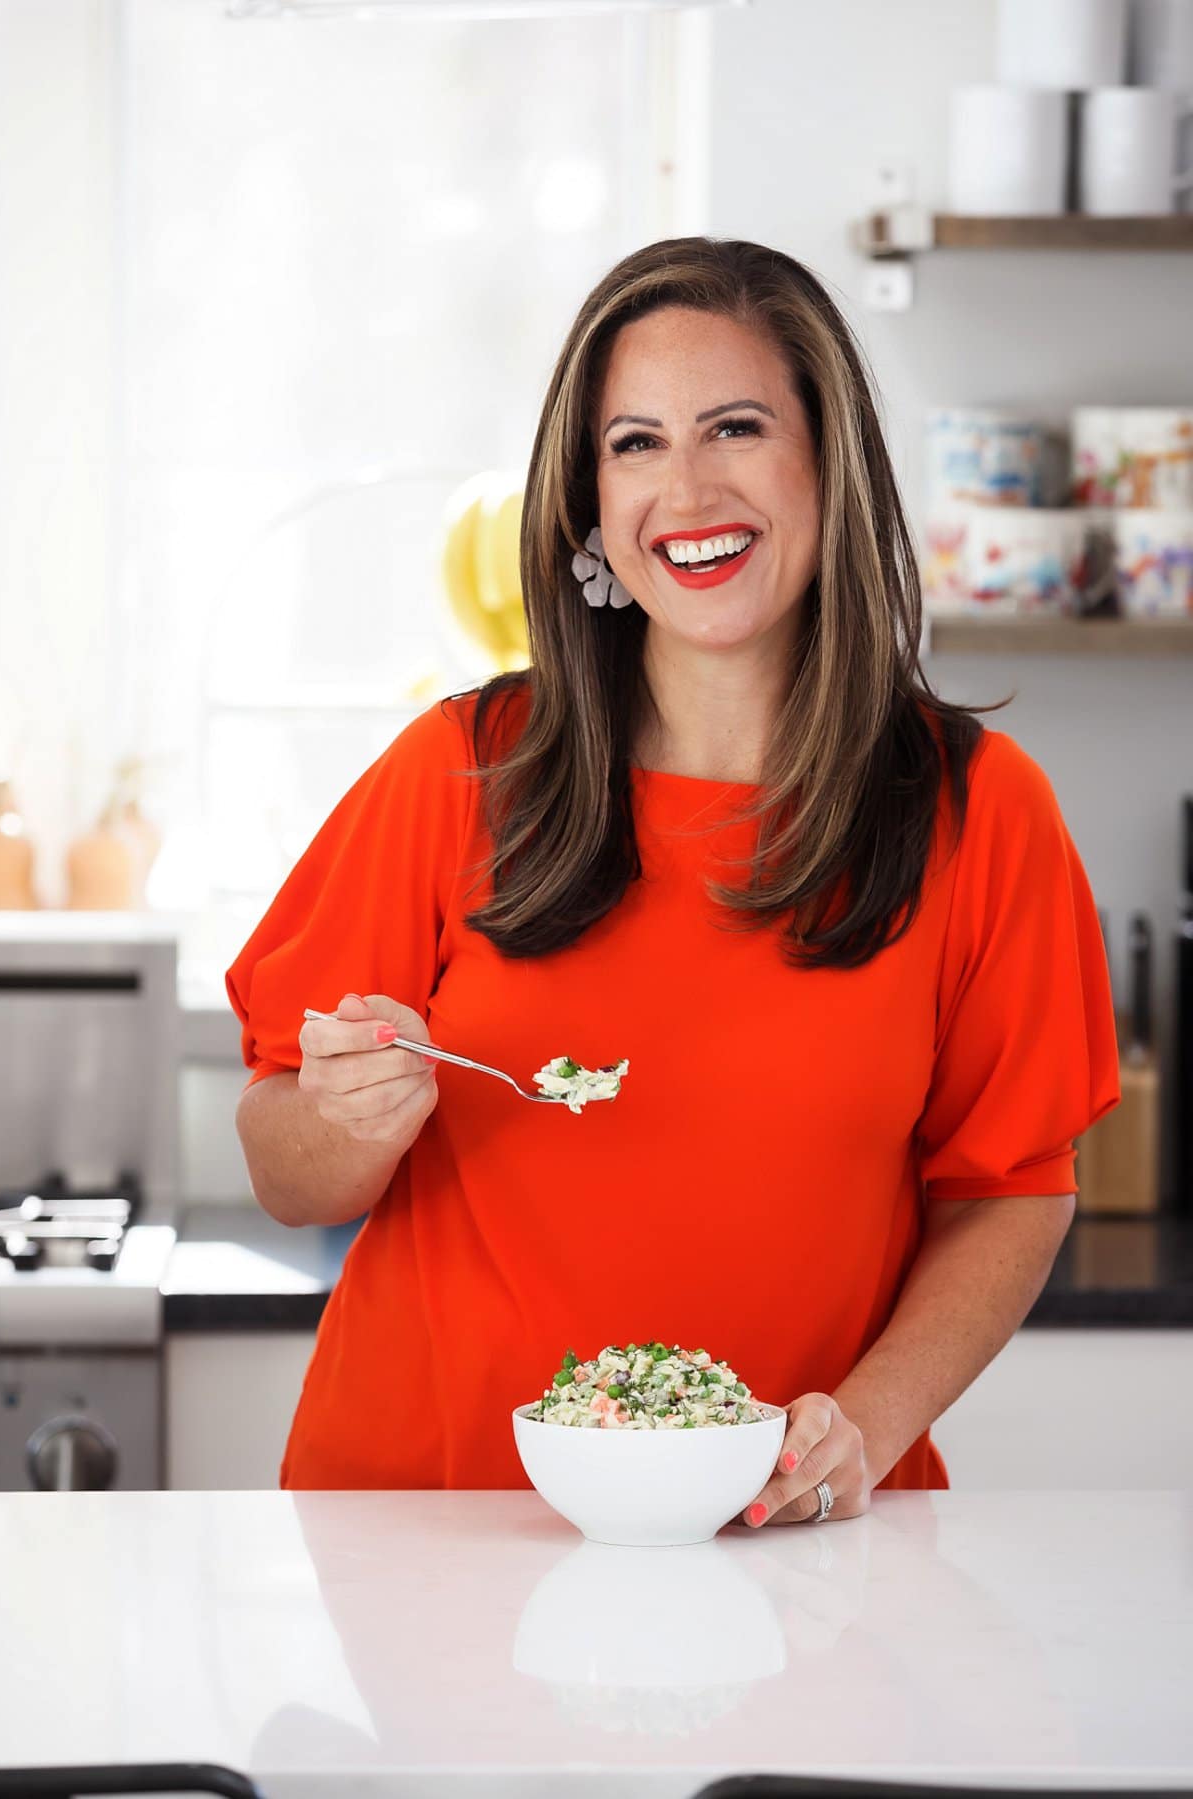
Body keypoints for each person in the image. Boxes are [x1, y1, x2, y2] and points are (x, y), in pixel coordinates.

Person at [226, 237, 1120, 1524]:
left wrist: (859, 1429)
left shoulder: (982, 810)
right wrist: (342, 1119)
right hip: (441, 1522)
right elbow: (286, 1163)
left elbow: (1012, 1189)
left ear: (831, 459)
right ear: (590, 502)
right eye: (634, 443)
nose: (686, 489)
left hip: (782, 1524)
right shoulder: (457, 773)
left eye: (736, 427)